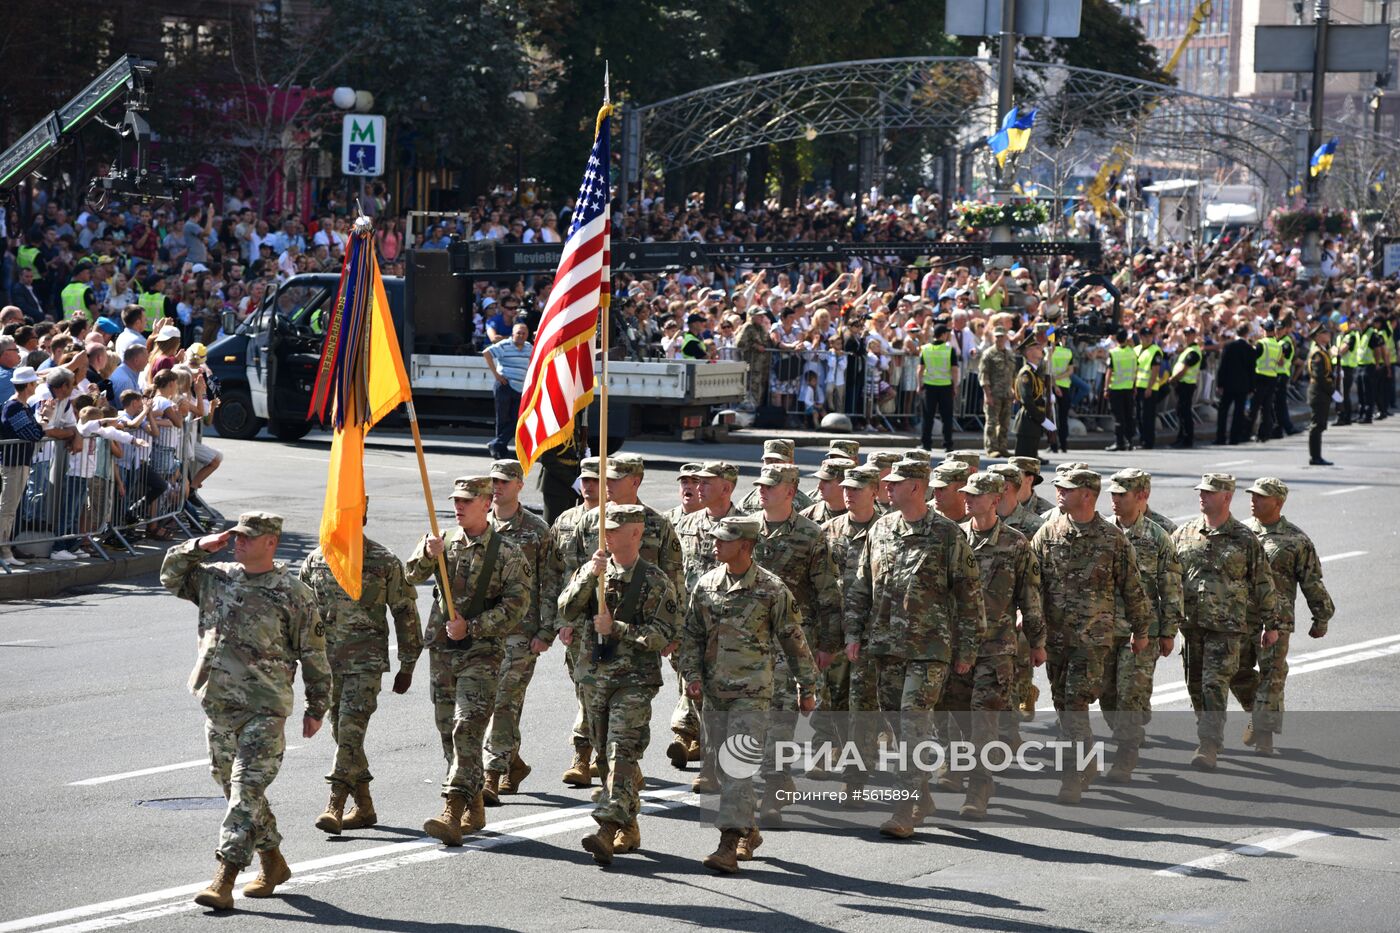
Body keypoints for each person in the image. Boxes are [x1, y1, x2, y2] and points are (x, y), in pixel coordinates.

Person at [160, 512, 329, 911]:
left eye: (249, 538)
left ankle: (225, 877)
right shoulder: (215, 577)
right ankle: (273, 861)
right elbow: (170, 576)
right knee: (235, 790)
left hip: (264, 709)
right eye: (237, 536)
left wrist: (316, 706)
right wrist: (199, 546)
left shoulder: (294, 593)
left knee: (245, 791)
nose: (240, 542)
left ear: (271, 543)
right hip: (218, 706)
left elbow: (314, 655)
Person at [844, 459, 984, 838]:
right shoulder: (881, 529)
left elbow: (969, 596)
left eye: (897, 482)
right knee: (896, 724)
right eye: (888, 482)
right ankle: (922, 794)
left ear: (917, 488)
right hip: (886, 647)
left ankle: (904, 808)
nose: (888, 487)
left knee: (912, 722)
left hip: (929, 649)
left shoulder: (947, 535)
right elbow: (862, 586)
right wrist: (853, 634)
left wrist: (968, 648)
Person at [679, 515, 818, 874]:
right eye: (715, 539)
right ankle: (748, 830)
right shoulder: (706, 584)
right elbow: (692, 634)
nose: (715, 544)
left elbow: (794, 641)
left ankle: (727, 842)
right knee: (721, 767)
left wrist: (807, 687)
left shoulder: (771, 590)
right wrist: (691, 676)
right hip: (713, 692)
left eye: (724, 540)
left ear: (746, 545)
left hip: (753, 693)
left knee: (736, 765)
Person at [407, 476, 530, 845]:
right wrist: (428, 555)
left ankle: (452, 807)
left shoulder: (507, 553)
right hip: (444, 651)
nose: (458, 507)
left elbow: (516, 605)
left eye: (465, 501)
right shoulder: (441, 542)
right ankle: (474, 798)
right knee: (448, 731)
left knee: (467, 726)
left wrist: (473, 627)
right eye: (455, 501)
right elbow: (410, 576)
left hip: (482, 653)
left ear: (485, 503)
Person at [558, 503, 678, 864]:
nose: (605, 534)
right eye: (604, 529)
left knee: (620, 751)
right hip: (594, 677)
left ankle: (607, 830)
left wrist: (619, 629)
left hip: (634, 681)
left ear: (636, 533)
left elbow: (664, 635)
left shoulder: (655, 580)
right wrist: (585, 578)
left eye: (614, 529)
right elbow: (564, 610)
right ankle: (629, 824)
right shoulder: (594, 571)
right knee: (605, 759)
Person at [1030, 469, 1151, 803]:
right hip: (1056, 641)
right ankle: (1088, 762)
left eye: (1067, 489)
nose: (1059, 493)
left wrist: (1141, 631)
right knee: (1062, 706)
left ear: (1087, 494)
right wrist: (1030, 631)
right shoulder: (1048, 533)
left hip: (1093, 642)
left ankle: (1071, 777)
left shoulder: (1112, 538)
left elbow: (1133, 588)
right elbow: (1030, 584)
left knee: (1074, 706)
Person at [299, 516, 423, 835]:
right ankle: (365, 807)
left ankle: (335, 802)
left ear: (363, 517)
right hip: (328, 666)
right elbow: (299, 615)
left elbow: (405, 612)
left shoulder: (383, 561)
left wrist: (407, 664)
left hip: (365, 664)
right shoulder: (316, 560)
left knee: (351, 731)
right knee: (342, 735)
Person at [946, 470, 1044, 819]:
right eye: (966, 495)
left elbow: (1030, 596)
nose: (967, 499)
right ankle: (959, 767)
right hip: (957, 649)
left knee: (983, 718)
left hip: (996, 648)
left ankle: (979, 788)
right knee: (957, 717)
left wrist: (1036, 642)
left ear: (994, 499)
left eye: (975, 495)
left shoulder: (1016, 543)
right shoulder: (953, 539)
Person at [748, 463, 842, 821]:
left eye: (771, 486)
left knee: (781, 717)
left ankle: (774, 787)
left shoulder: (810, 535)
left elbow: (827, 593)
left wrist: (828, 644)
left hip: (792, 640)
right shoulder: (747, 529)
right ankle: (776, 779)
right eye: (761, 485)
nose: (763, 491)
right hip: (749, 642)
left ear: (790, 491)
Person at [1170, 473, 1278, 772]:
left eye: (1209, 492)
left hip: (1227, 629)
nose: (1202, 496)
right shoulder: (1183, 534)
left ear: (1227, 497)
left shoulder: (1244, 538)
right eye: (1200, 492)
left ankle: (1208, 744)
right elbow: (1167, 580)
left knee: (1213, 685)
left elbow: (1263, 583)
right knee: (1194, 686)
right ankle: (1240, 726)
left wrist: (1272, 624)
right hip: (1191, 627)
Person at [1230, 478, 1334, 756]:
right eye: (1252, 495)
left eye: (1261, 497)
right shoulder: (1239, 532)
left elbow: (1312, 581)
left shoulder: (1296, 540)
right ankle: (1258, 713)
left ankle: (1264, 737)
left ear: (1278, 502)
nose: (1254, 500)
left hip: (1276, 620)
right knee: (1234, 671)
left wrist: (1321, 617)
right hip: (1239, 617)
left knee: (1272, 676)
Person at [483, 459, 560, 803]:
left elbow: (551, 582)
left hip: (520, 630)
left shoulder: (537, 529)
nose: (496, 487)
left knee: (503, 701)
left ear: (519, 485)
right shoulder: (478, 524)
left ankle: (491, 773)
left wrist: (546, 630)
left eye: (503, 481)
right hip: (481, 629)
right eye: (493, 481)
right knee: (486, 702)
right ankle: (512, 763)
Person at [1101, 469, 1184, 783]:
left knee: (1130, 695)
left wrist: (1168, 631)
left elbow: (1172, 587)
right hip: (1104, 630)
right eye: (1113, 494)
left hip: (1142, 632)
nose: (1115, 500)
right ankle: (1127, 732)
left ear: (1140, 497)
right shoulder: (1102, 532)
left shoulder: (1157, 536)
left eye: (1122, 494)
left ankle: (1125, 755)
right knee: (1106, 693)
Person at [550, 456, 602, 786]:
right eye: (584, 478)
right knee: (583, 688)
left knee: (599, 687)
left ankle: (586, 754)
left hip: (607, 619)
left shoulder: (619, 521)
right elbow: (553, 575)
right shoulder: (566, 520)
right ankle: (596, 751)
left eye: (595, 479)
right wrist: (559, 619)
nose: (588, 485)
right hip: (574, 618)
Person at [0, 367, 46, 566]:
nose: (36, 386)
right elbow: (33, 434)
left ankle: (6, 549)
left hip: (19, 462)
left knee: (10, 508)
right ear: (27, 385)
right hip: (13, 463)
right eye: (34, 383)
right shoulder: (14, 407)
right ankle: (4, 552)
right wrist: (43, 421)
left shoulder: (22, 407)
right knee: (7, 509)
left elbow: (34, 432)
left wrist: (40, 422)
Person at [482, 322, 532, 460]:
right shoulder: (505, 345)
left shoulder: (529, 348)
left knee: (517, 419)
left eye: (523, 333)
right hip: (505, 386)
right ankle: (499, 451)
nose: (521, 336)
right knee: (502, 419)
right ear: (512, 334)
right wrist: (496, 375)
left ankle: (497, 444)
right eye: (518, 333)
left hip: (520, 389)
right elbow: (487, 353)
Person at [917, 324, 959, 452]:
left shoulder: (925, 349)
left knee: (927, 416)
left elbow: (920, 369)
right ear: (943, 335)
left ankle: (926, 444)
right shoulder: (949, 349)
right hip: (945, 386)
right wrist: (955, 386)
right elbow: (954, 370)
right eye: (946, 333)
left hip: (929, 386)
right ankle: (948, 444)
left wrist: (919, 385)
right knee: (946, 417)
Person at [1215, 322, 1257, 445]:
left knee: (1223, 411)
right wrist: (1251, 387)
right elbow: (1252, 369)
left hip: (1228, 384)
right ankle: (1234, 437)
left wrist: (1220, 383)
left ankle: (1220, 437)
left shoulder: (1229, 346)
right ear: (1246, 334)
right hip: (1243, 385)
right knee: (1238, 412)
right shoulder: (1249, 349)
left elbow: (1222, 366)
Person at [978, 326, 1015, 457]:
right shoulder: (988, 354)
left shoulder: (1010, 354)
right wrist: (987, 394)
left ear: (1006, 338)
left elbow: (1012, 374)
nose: (999, 339)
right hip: (993, 393)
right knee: (992, 422)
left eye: (1002, 336)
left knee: (1005, 423)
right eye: (997, 336)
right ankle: (991, 448)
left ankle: (1002, 447)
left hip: (1007, 394)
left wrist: (1013, 390)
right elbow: (984, 375)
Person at [1012, 337, 1051, 457]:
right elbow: (1027, 400)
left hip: (1033, 421)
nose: (1041, 350)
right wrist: (1042, 419)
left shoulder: (1034, 372)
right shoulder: (1026, 373)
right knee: (1023, 463)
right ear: (1029, 353)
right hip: (1028, 420)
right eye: (1037, 348)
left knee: (1031, 464)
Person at [1166, 326, 1203, 449]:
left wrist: (1173, 378)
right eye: (1185, 334)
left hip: (1186, 384)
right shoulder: (1188, 350)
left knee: (1184, 413)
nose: (1187, 337)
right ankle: (1181, 437)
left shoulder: (1193, 351)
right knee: (1181, 412)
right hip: (1183, 385)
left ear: (1194, 335)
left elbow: (1184, 369)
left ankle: (1187, 439)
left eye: (1190, 334)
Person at [1103, 329, 1137, 451]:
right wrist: (1134, 386)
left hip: (1116, 388)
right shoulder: (1133, 352)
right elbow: (1135, 370)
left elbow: (1109, 372)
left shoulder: (1114, 353)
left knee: (1118, 417)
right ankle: (1130, 442)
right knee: (1128, 416)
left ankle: (1119, 442)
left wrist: (1106, 388)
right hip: (1129, 387)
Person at [1306, 324, 1335, 466]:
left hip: (1322, 392)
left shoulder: (1324, 351)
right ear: (1318, 337)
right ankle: (1315, 457)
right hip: (1319, 392)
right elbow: (1320, 376)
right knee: (1317, 425)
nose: (1328, 335)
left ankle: (1317, 456)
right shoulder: (1318, 353)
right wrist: (1331, 390)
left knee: (1320, 425)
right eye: (1325, 333)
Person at [1133, 326, 1164, 449]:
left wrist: (1149, 388)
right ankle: (1142, 439)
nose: (1148, 339)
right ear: (1140, 337)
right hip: (1138, 387)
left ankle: (1148, 441)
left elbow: (1155, 371)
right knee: (1140, 415)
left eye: (1150, 336)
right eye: (1145, 336)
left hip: (1149, 388)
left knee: (1148, 416)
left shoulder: (1155, 351)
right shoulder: (1136, 349)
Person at [1250, 320, 1281, 443]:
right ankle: (1264, 434)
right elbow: (1279, 361)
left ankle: (1247, 431)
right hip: (1272, 376)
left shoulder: (1261, 343)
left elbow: (1254, 357)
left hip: (1260, 375)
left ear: (1264, 331)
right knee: (1266, 407)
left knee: (1255, 406)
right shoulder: (1278, 345)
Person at [800, 456, 854, 524]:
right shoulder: (806, 518)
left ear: (844, 485)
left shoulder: (862, 516)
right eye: (820, 480)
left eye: (826, 481)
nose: (820, 486)